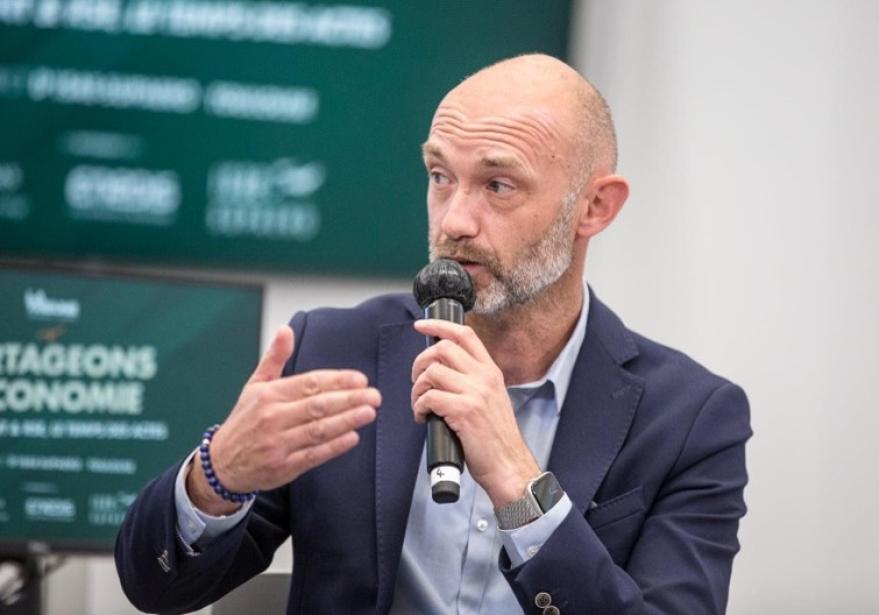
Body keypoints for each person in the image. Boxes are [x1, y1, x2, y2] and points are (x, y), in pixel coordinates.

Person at [116, 54, 751, 615]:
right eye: (440, 175)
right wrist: (217, 475)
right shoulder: (335, 351)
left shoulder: (690, 418)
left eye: (498, 185)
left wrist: (517, 480)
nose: (455, 220)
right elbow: (157, 588)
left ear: (595, 207)